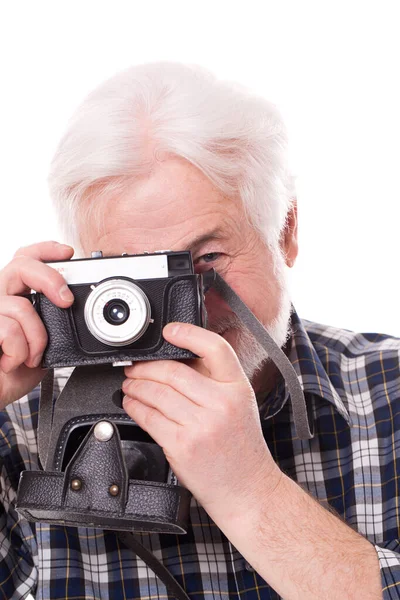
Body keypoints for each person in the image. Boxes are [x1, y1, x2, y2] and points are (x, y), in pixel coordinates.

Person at [0, 62, 398, 600]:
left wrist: (249, 490)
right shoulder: (19, 436)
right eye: (136, 281)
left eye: (207, 259)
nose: (185, 313)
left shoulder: (389, 394)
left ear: (285, 233)